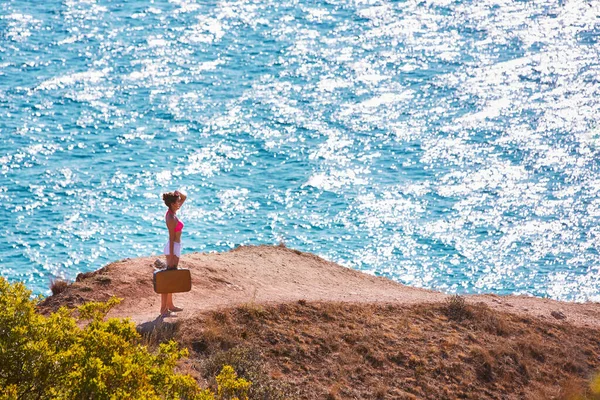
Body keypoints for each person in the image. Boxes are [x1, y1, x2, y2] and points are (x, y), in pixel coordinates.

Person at [160, 190, 187, 316]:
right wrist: (171, 257)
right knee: (167, 279)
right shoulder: (170, 217)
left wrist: (178, 193)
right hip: (173, 248)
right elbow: (171, 238)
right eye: (177, 202)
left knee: (171, 278)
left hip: (176, 247)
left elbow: (184, 197)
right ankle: (163, 309)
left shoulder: (173, 211)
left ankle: (170, 305)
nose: (179, 203)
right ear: (172, 204)